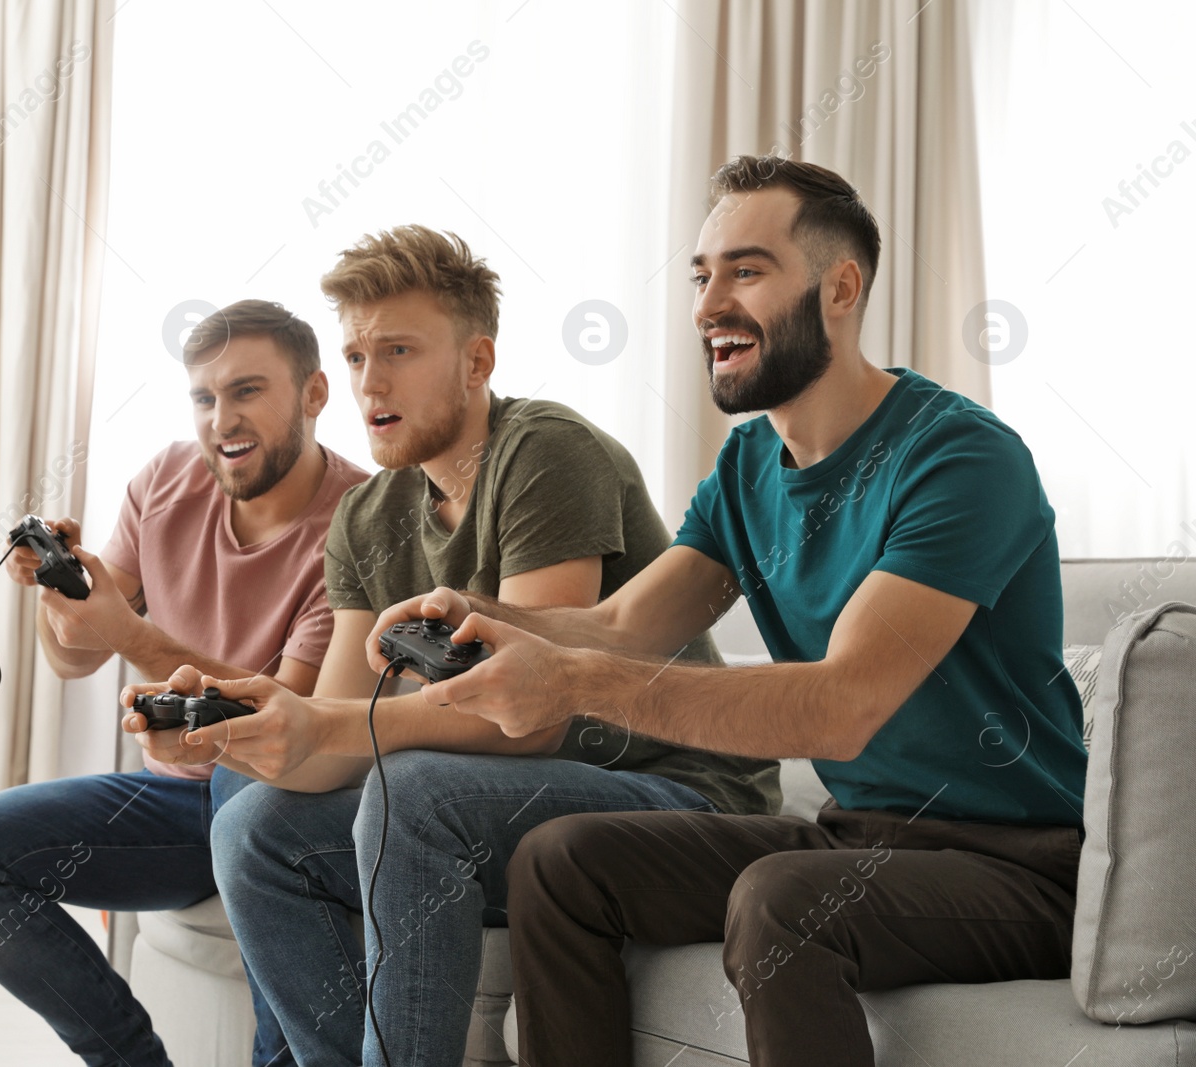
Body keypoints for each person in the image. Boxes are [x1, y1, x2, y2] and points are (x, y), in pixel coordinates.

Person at [369, 157, 1088, 1067]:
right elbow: (627, 627)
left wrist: (573, 682)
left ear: (841, 286)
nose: (709, 304)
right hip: (857, 834)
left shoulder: (960, 459)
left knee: (784, 898)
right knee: (558, 861)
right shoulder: (750, 465)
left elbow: (843, 705)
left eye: (745, 270)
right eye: (701, 276)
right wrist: (470, 611)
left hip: (1019, 864)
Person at [127, 225, 781, 1067]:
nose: (371, 381)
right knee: (251, 823)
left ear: (477, 362)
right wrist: (230, 730)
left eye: (398, 349)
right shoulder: (365, 518)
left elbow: (532, 721)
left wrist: (327, 730)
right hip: (522, 809)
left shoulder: (544, 452)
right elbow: (334, 726)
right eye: (357, 356)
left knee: (420, 790)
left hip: (677, 793)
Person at [0, 299, 369, 1067]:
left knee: (245, 782)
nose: (221, 419)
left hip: (286, 799)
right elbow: (75, 659)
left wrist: (130, 634)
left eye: (248, 390)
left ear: (315, 394)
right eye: (204, 396)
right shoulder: (166, 478)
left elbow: (292, 722)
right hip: (171, 796)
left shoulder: (358, 523)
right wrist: (60, 599)